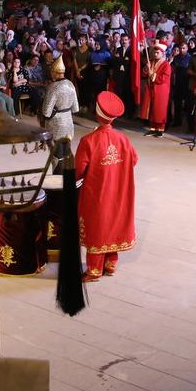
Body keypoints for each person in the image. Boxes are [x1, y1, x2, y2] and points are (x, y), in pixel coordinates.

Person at [76, 91, 138, 282]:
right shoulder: (124, 139)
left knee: (98, 225)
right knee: (115, 223)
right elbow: (134, 160)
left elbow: (78, 169)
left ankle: (94, 269)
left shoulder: (89, 140)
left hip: (98, 192)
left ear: (97, 114)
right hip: (119, 191)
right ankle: (110, 263)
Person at [40, 54, 79, 142]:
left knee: (55, 152)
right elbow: (75, 108)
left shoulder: (53, 87)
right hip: (68, 121)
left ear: (55, 72)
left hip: (55, 124)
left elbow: (46, 112)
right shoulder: (71, 84)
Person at [139, 43, 172, 137]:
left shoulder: (166, 65)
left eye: (157, 52)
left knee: (159, 109)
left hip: (161, 90)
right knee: (152, 108)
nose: (155, 54)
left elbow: (163, 78)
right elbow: (144, 74)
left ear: (162, 53)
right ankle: (152, 128)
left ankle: (160, 129)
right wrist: (146, 68)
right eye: (154, 52)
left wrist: (152, 75)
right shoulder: (152, 62)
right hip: (151, 88)